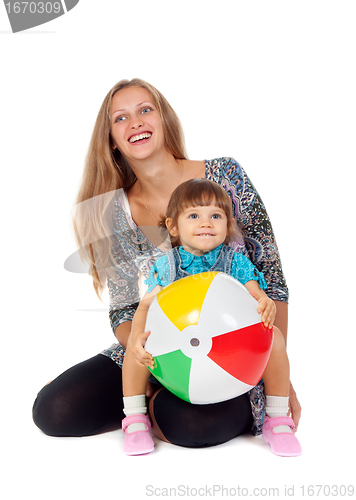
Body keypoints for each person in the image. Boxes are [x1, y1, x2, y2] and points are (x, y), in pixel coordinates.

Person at [32, 78, 301, 449]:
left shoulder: (225, 175)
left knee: (193, 426)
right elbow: (125, 309)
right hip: (156, 349)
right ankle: (144, 406)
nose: (136, 122)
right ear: (111, 138)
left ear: (163, 120)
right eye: (121, 118)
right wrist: (151, 355)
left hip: (235, 350)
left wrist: (275, 379)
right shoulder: (114, 211)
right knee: (54, 411)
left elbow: (272, 278)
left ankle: (164, 408)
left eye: (145, 110)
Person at [121, 178, 301, 457]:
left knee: (274, 336)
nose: (206, 223)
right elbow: (145, 306)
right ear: (173, 226)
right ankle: (134, 419)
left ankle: (277, 421)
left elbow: (256, 295)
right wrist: (136, 339)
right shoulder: (168, 265)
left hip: (229, 352)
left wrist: (266, 303)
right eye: (194, 215)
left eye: (215, 216)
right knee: (137, 344)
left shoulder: (236, 261)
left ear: (227, 224)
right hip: (177, 352)